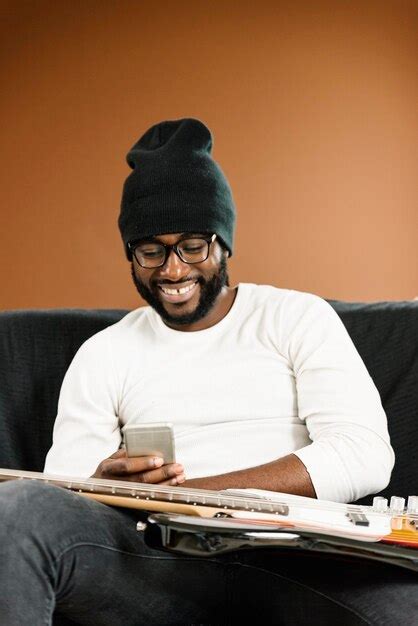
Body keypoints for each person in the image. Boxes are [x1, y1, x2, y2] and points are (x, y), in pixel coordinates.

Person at [0, 118, 415, 626]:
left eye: (193, 246)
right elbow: (61, 491)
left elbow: (364, 452)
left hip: (298, 564)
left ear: (224, 244)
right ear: (131, 255)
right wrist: (97, 482)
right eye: (151, 250)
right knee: (21, 509)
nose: (173, 270)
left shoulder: (295, 317)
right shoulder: (104, 353)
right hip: (157, 565)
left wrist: (197, 494)